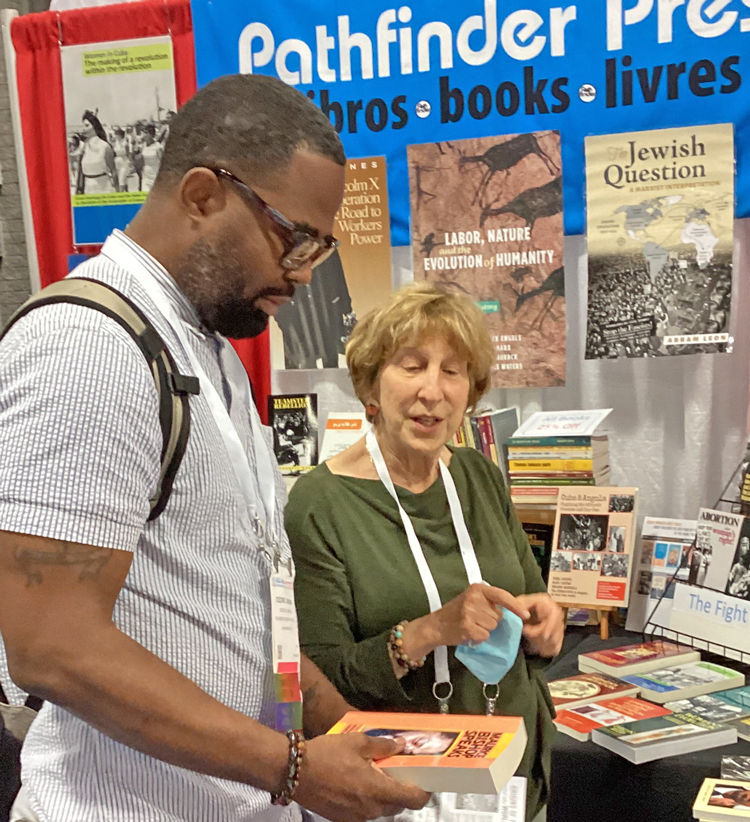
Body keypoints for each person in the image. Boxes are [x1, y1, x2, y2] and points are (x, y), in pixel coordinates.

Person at [0, 74, 429, 822]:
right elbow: (51, 645)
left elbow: (247, 610)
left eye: (320, 250)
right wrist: (294, 768)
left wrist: (349, 733)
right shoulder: (87, 347)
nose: (301, 276)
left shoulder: (209, 349)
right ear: (201, 195)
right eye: (293, 239)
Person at [286, 283, 563, 822]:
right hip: (402, 791)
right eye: (411, 366)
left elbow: (533, 595)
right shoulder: (319, 503)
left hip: (509, 779)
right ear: (371, 383)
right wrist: (430, 631)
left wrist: (544, 618)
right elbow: (314, 680)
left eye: (452, 371)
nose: (432, 391)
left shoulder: (480, 476)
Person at [78, 110, 118, 194]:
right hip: (88, 188)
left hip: (103, 188)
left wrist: (118, 194)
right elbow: (80, 172)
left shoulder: (105, 146)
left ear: (94, 126)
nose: (84, 129)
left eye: (87, 125)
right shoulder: (83, 147)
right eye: (83, 126)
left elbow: (113, 171)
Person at [140, 124, 164, 192]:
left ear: (151, 134)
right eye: (144, 132)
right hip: (145, 176)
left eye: (146, 132)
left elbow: (162, 162)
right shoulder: (143, 145)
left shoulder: (157, 147)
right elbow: (141, 160)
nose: (144, 134)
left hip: (155, 176)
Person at [112, 126, 133, 192]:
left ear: (121, 135)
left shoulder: (125, 143)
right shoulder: (115, 143)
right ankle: (127, 194)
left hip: (124, 163)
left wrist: (131, 164)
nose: (117, 136)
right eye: (116, 134)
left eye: (118, 134)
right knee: (123, 181)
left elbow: (128, 154)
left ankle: (120, 196)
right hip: (117, 163)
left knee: (121, 181)